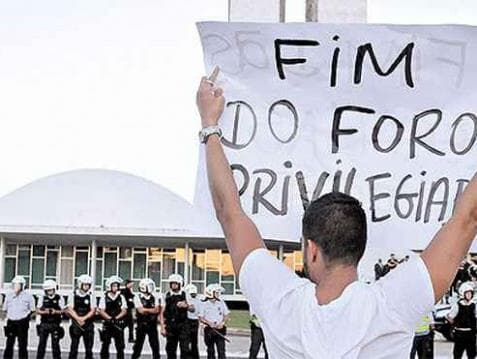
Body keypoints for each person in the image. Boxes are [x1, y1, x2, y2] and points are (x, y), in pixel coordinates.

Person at [195, 72, 477, 357]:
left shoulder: (279, 299)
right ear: (359, 249)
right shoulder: (392, 304)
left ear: (312, 250)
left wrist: (210, 125)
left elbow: (229, 212)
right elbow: (468, 218)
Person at [2, 275, 35, 359]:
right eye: (14, 284)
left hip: (22, 322)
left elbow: (33, 310)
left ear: (22, 285)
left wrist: (27, 319)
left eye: (18, 284)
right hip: (11, 322)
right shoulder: (9, 295)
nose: (15, 286)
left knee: (22, 344)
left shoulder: (28, 296)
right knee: (9, 343)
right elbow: (4, 309)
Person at [66, 274, 96, 359]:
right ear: (80, 284)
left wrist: (84, 318)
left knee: (89, 349)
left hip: (88, 325)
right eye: (85, 284)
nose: (87, 286)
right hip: (76, 325)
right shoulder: (73, 295)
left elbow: (93, 310)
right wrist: (78, 319)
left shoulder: (91, 295)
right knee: (74, 347)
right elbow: (70, 309)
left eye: (88, 285)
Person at [161, 273, 190, 359]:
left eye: (176, 283)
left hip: (183, 325)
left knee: (185, 349)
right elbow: (162, 312)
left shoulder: (185, 294)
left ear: (180, 284)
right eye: (172, 283)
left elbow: (193, 308)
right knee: (170, 349)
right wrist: (162, 327)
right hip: (171, 326)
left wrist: (186, 305)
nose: (174, 285)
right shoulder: (166, 295)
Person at [98, 275, 127, 359]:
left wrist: (116, 318)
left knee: (120, 346)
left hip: (118, 325)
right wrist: (109, 318)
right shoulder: (104, 297)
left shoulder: (121, 297)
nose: (116, 287)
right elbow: (101, 310)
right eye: (114, 285)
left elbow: (124, 310)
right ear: (109, 286)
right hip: (107, 325)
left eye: (117, 285)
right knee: (105, 345)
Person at [132, 278, 162, 359]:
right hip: (141, 325)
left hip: (152, 325)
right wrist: (151, 310)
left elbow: (157, 310)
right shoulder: (137, 297)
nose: (151, 288)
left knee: (155, 345)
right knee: (138, 345)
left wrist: (146, 310)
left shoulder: (154, 297)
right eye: (149, 286)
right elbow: (140, 311)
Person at [198, 284, 230, 359]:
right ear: (210, 293)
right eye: (216, 292)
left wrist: (223, 323)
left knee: (221, 351)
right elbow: (201, 317)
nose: (218, 294)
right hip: (209, 330)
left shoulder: (221, 302)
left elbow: (226, 315)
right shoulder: (203, 304)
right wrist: (209, 323)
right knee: (210, 351)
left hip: (220, 329)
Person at [36, 279, 65, 359]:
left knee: (55, 345)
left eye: (51, 290)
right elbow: (37, 310)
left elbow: (63, 311)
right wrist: (45, 312)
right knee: (42, 344)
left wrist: (55, 311)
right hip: (44, 324)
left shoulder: (59, 298)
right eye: (47, 290)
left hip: (55, 324)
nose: (49, 292)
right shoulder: (42, 298)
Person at [447, 282, 476, 359]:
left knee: (472, 354)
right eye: (467, 293)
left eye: (470, 293)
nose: (469, 295)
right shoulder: (457, 305)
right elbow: (450, 317)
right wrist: (455, 324)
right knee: (457, 354)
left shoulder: (473, 305)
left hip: (470, 333)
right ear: (463, 294)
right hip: (460, 333)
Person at [184, 284, 201, 359]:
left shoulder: (197, 300)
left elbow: (194, 309)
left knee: (193, 341)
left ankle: (194, 356)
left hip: (194, 321)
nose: (193, 295)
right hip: (188, 321)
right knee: (187, 341)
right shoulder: (186, 299)